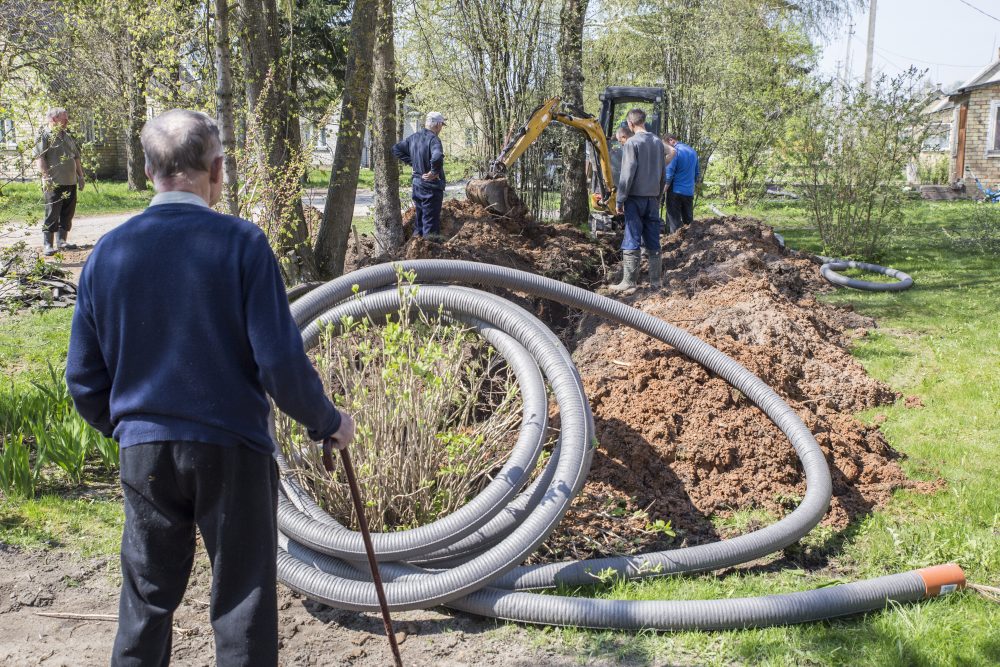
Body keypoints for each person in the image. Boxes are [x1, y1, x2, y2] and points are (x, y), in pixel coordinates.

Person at [65, 109, 355, 667]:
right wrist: (327, 421)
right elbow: (279, 362)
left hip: (144, 450)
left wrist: (129, 428)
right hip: (231, 450)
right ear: (217, 170)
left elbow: (83, 377)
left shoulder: (108, 253)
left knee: (145, 600)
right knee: (242, 601)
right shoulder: (242, 244)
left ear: (149, 169)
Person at [611, 108, 665, 292]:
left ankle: (629, 282)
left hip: (634, 199)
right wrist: (657, 197)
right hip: (652, 198)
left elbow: (627, 174)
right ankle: (655, 281)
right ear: (644, 121)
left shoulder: (631, 143)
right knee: (653, 238)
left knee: (632, 237)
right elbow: (662, 173)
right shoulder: (658, 142)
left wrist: (620, 199)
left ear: (630, 124)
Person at [35, 107, 86, 256]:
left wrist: (81, 176)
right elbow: (40, 157)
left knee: (67, 213)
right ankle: (48, 244)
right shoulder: (44, 136)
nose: (67, 121)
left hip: (70, 182)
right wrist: (45, 177)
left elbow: (76, 157)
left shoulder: (67, 136)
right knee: (52, 213)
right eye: (64, 118)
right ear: (53, 119)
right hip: (54, 182)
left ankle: (62, 241)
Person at [392, 111, 447, 238]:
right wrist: (434, 172)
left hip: (417, 185)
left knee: (420, 222)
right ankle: (430, 253)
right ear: (438, 124)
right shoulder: (434, 140)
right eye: (442, 125)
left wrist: (414, 163)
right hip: (431, 188)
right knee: (430, 226)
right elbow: (437, 157)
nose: (441, 129)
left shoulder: (414, 137)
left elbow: (396, 149)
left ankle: (417, 251)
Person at [663, 133, 700, 233]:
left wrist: (662, 191)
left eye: (666, 146)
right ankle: (691, 244)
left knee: (675, 223)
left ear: (671, 141)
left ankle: (675, 245)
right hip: (688, 192)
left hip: (675, 191)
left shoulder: (675, 152)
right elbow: (696, 173)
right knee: (688, 222)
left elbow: (669, 174)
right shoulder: (693, 151)